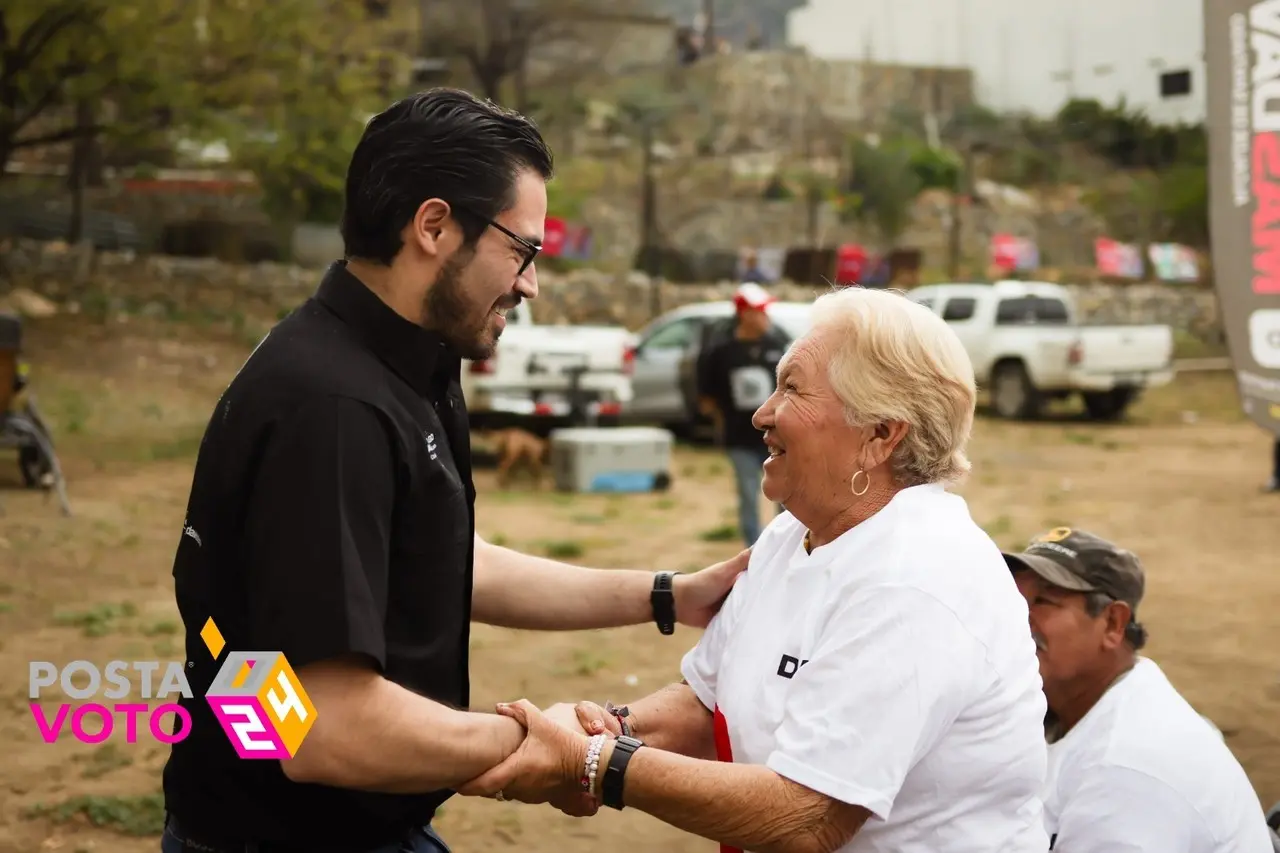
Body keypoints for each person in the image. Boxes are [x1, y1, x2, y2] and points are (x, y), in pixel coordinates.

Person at [159, 88, 747, 853]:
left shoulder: (397, 363)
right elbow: (318, 725)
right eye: (523, 250)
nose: (531, 283)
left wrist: (669, 594)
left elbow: (433, 562)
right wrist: (546, 747)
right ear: (434, 225)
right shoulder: (334, 407)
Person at [461, 286, 1051, 853]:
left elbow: (808, 816)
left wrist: (592, 762)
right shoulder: (794, 534)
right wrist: (610, 727)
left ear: (880, 435)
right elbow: (706, 703)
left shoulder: (917, 579)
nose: (762, 414)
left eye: (792, 390)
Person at [1003, 527, 1273, 852]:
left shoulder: (1124, 769)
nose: (1017, 616)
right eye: (1014, 598)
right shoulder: (1078, 708)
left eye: (1043, 601)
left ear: (1113, 624)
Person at [695, 282, 791, 546]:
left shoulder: (778, 346)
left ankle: (786, 546)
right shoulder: (720, 353)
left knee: (787, 496)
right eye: (760, 311)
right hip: (740, 439)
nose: (766, 318)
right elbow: (707, 398)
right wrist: (722, 424)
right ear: (745, 314)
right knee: (750, 496)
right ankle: (755, 551)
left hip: (779, 439)